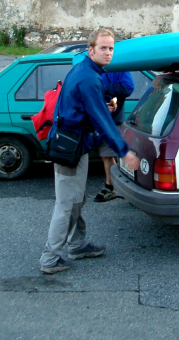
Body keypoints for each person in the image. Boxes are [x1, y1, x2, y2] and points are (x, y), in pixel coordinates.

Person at [39, 28, 140, 274]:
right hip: (69, 147)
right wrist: (124, 151)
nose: (108, 52)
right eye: (103, 48)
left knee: (76, 199)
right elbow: (102, 120)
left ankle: (76, 244)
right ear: (91, 50)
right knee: (66, 203)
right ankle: (50, 258)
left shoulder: (87, 71)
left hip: (77, 144)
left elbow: (82, 107)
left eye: (111, 48)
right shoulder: (89, 78)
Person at [94, 70, 135, 202]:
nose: (107, 53)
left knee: (108, 154)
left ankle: (111, 187)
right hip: (98, 119)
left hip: (112, 120)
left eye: (109, 49)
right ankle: (115, 186)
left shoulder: (119, 67)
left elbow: (128, 87)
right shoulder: (92, 68)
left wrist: (103, 89)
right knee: (106, 155)